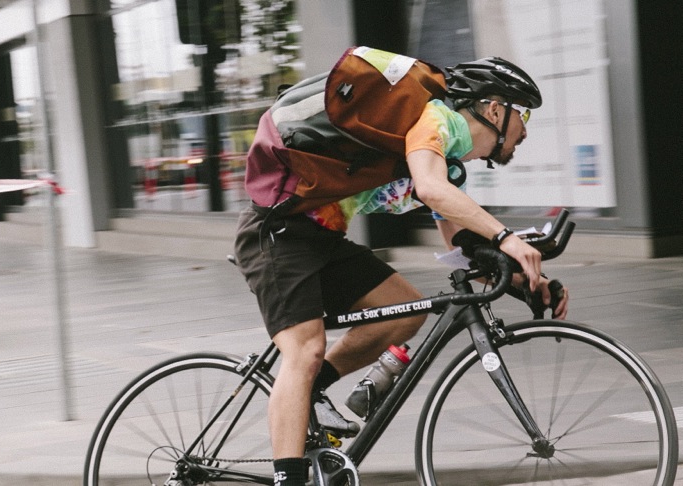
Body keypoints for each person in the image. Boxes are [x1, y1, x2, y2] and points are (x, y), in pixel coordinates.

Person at [234, 55, 570, 486]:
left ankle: (311, 392)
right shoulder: (435, 118)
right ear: (494, 109)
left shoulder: (446, 164)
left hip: (320, 238)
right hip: (277, 232)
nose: (526, 130)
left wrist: (526, 286)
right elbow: (431, 190)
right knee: (304, 349)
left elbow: (461, 251)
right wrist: (506, 237)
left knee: (406, 310)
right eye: (523, 114)